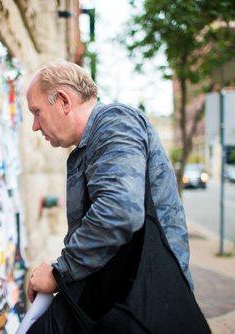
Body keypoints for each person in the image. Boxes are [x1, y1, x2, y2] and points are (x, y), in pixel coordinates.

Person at [26, 60, 193, 305]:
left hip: (149, 302)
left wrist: (60, 272)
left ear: (63, 101)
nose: (34, 126)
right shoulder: (88, 145)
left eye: (36, 112)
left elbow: (120, 209)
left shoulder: (115, 122)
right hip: (128, 299)